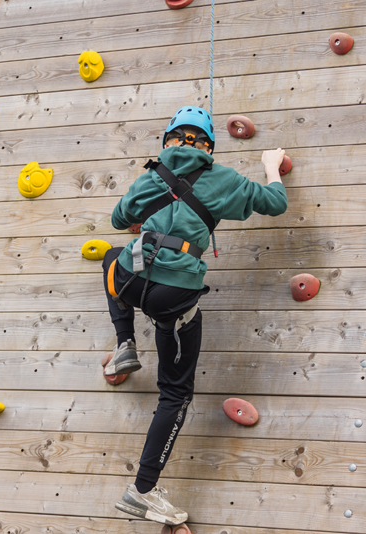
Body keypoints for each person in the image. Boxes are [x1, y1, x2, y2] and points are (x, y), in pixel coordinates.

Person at [102, 106, 289, 526]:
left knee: (112, 260)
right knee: (175, 394)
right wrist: (270, 166)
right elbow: (275, 202)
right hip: (173, 297)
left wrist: (148, 212)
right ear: (208, 147)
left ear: (168, 141)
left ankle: (124, 345)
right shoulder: (224, 179)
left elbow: (118, 219)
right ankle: (142, 492)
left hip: (132, 281)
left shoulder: (152, 175)